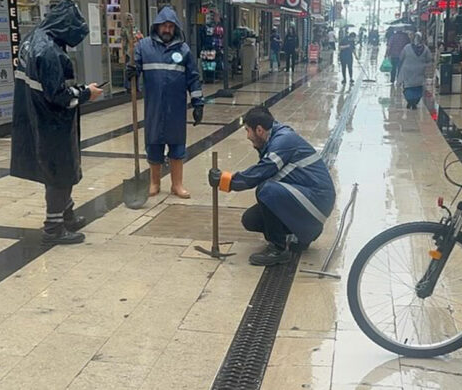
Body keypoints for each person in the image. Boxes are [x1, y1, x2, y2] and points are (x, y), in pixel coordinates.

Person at [11, 0, 103, 245]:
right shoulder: (50, 51)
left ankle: (66, 214)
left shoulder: (32, 40)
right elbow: (59, 95)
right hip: (51, 123)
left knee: (56, 170)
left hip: (34, 117)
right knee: (59, 172)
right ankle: (53, 227)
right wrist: (86, 93)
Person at [208, 107, 336, 266]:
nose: (248, 136)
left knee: (266, 189)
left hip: (318, 200)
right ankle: (306, 232)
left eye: (248, 131)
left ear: (259, 129)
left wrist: (225, 180)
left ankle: (278, 249)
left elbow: (259, 173)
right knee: (251, 219)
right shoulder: (273, 137)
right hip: (311, 199)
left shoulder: (283, 141)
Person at [127, 6, 204, 199]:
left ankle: (176, 185)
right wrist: (131, 72)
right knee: (153, 143)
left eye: (171, 26)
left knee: (177, 145)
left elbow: (193, 78)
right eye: (164, 26)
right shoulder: (143, 47)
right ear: (157, 26)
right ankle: (154, 182)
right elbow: (133, 72)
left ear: (176, 28)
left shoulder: (184, 50)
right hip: (153, 107)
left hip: (176, 108)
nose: (167, 30)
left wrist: (198, 103)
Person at [397, 32, 432, 109]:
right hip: (420, 70)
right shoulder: (425, 49)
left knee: (408, 86)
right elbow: (429, 59)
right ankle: (414, 102)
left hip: (407, 70)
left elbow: (401, 57)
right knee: (418, 87)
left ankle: (410, 101)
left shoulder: (407, 47)